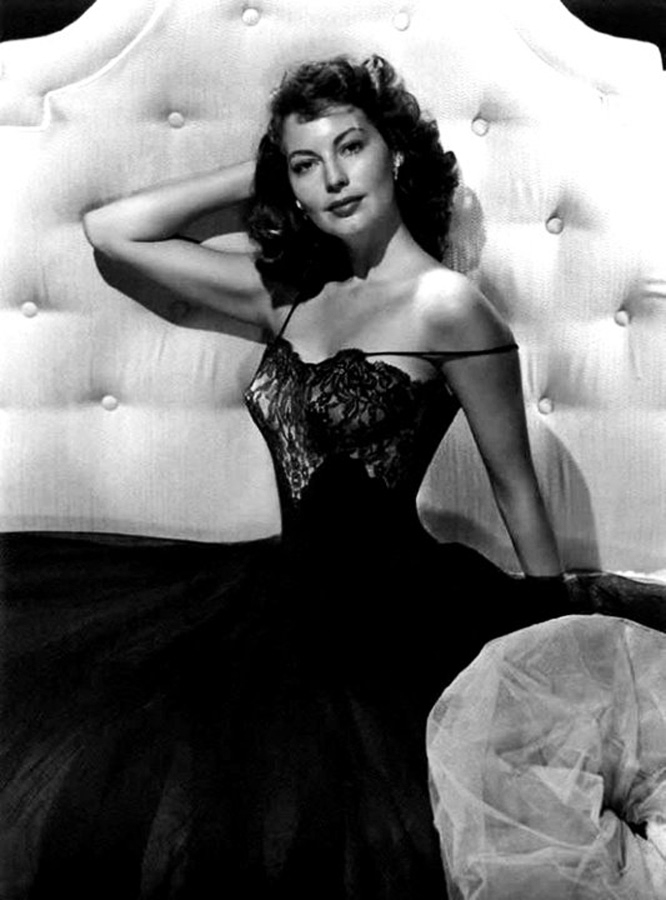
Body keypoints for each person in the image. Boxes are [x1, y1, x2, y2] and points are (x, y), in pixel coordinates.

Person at [4, 53, 663, 900]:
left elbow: (516, 490)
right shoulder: (286, 293)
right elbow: (113, 230)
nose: (334, 180)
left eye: (351, 147)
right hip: (270, 596)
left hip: (396, 617)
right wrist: (263, 172)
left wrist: (556, 653)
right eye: (306, 165)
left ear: (396, 153)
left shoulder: (449, 307)